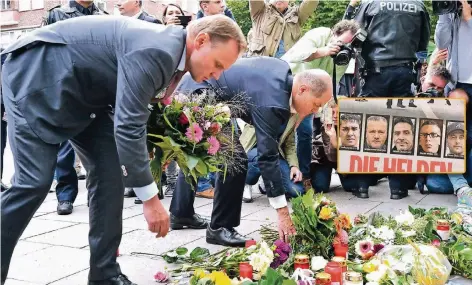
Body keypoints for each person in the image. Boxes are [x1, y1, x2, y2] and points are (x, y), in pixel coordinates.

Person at [0, 15, 246, 284]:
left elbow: (137, 109)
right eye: (218, 64)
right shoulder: (158, 50)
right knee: (33, 183)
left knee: (110, 175)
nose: (218, 75)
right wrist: (151, 200)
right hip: (39, 76)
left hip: (88, 99)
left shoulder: (174, 55)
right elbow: (128, 126)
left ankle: (104, 274)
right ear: (201, 41)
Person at [170, 57, 333, 246]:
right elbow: (267, 156)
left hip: (199, 87)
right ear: (303, 89)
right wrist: (282, 211)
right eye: (317, 103)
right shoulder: (273, 101)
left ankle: (181, 213)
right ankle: (220, 228)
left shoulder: (282, 73)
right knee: (235, 160)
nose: (316, 110)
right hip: (197, 95)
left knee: (197, 153)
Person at [43, 0, 108, 215]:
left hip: (96, 89)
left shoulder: (104, 17)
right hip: (66, 88)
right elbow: (44, 51)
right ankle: (65, 195)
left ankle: (95, 196)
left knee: (98, 147)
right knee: (65, 149)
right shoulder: (57, 15)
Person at [281, 19, 360, 189]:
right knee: (282, 131)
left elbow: (333, 83)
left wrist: (329, 110)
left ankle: (304, 175)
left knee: (306, 131)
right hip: (288, 86)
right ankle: (275, 171)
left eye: (348, 45)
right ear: (334, 33)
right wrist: (322, 51)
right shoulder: (320, 33)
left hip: (311, 97)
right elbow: (294, 55)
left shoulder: (343, 56)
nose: (343, 48)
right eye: (341, 43)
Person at [117, 0, 162, 204]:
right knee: (126, 136)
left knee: (148, 138)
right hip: (121, 86)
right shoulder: (116, 24)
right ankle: (132, 183)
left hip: (146, 89)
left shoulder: (151, 22)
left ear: (136, 1)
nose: (117, 3)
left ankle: (150, 184)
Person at [353, 0, 430, 98]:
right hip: (406, 70)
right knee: (400, 109)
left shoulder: (370, 3)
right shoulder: (418, 5)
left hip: (375, 70)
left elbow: (354, 31)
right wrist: (420, 63)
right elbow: (424, 39)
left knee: (370, 109)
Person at [247, 0, 319, 58]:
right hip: (260, 66)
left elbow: (311, 2)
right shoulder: (260, 10)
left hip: (288, 69)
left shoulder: (298, 14)